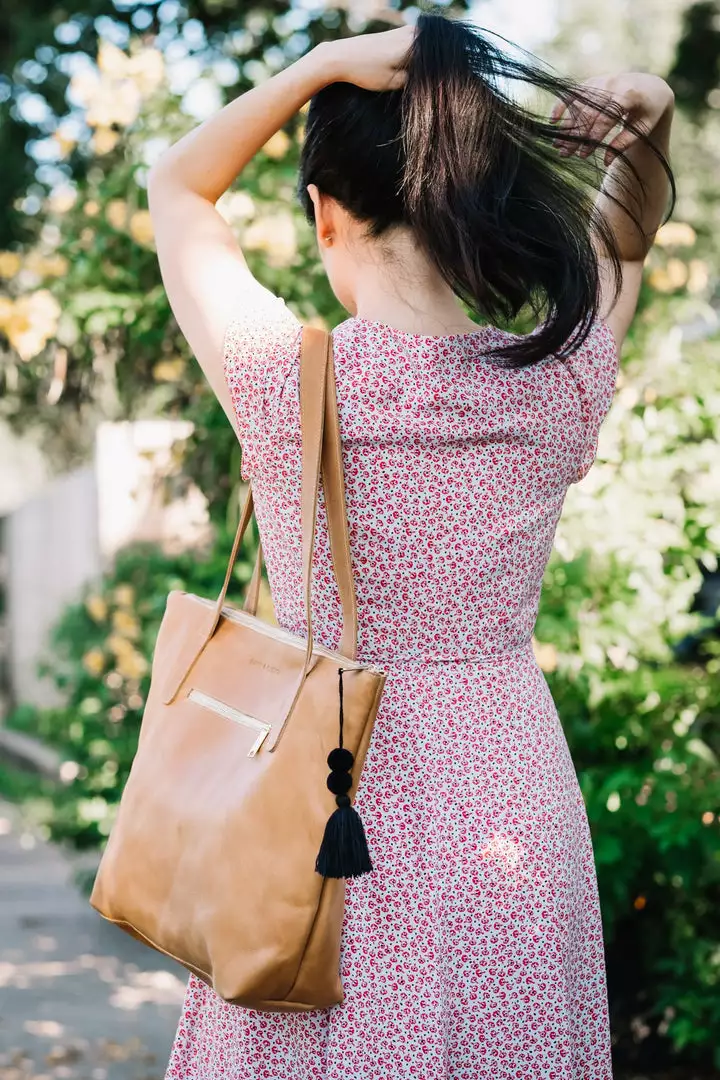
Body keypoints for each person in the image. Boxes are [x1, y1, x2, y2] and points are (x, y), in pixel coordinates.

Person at [147, 12, 675, 1079]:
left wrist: (319, 68)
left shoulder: (285, 383)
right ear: (477, 205)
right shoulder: (557, 385)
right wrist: (648, 117)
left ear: (325, 213)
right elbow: (625, 244)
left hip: (321, 816)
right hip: (509, 806)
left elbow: (179, 190)